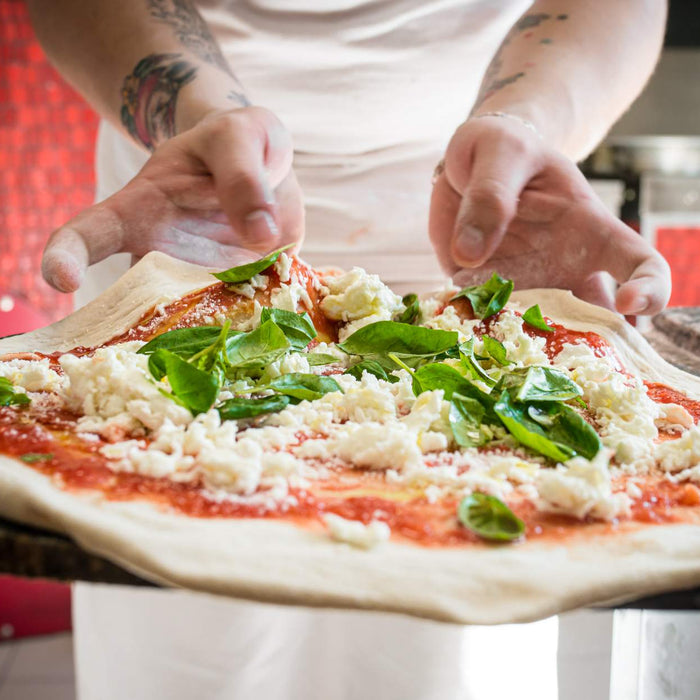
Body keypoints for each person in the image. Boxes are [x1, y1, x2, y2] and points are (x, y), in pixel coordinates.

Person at [25, 1, 669, 698]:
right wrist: (203, 118)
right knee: (191, 661)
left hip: (490, 223)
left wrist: (528, 125)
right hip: (191, 218)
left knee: (445, 665)